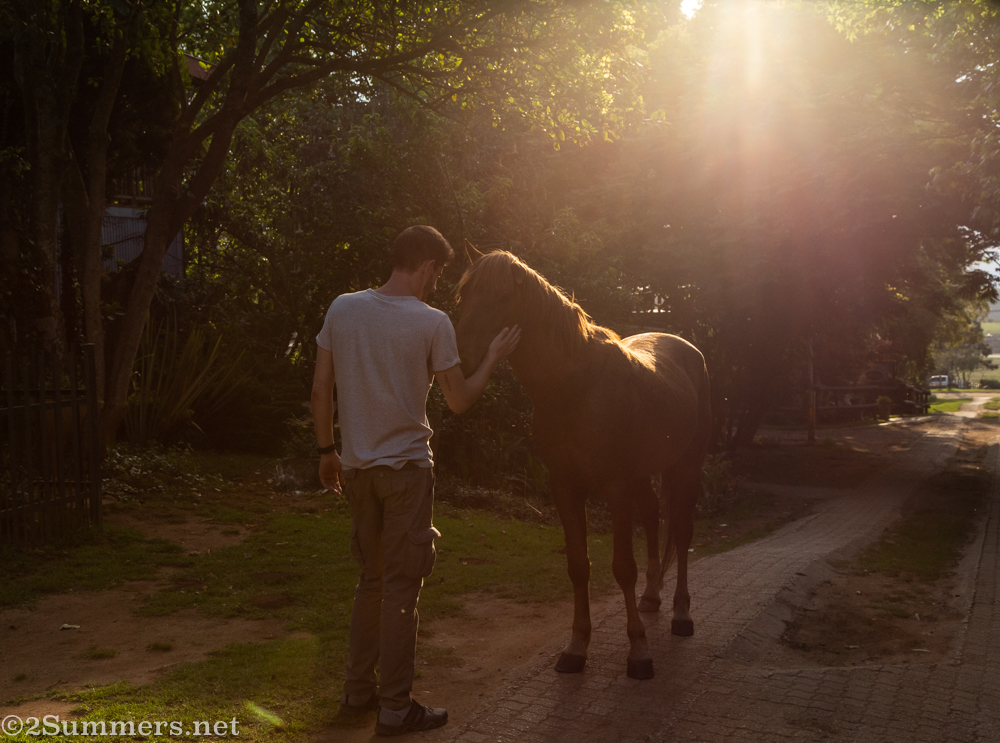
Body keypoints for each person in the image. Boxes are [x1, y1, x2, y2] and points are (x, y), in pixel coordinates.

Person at [312, 225, 520, 736]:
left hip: (357, 471)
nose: (436, 286)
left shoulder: (343, 309)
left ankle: (358, 692)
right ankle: (395, 707)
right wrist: (491, 358)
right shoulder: (432, 322)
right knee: (402, 589)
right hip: (406, 472)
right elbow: (459, 399)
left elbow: (320, 388)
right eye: (438, 275)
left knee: (372, 582)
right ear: (427, 266)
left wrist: (326, 452)